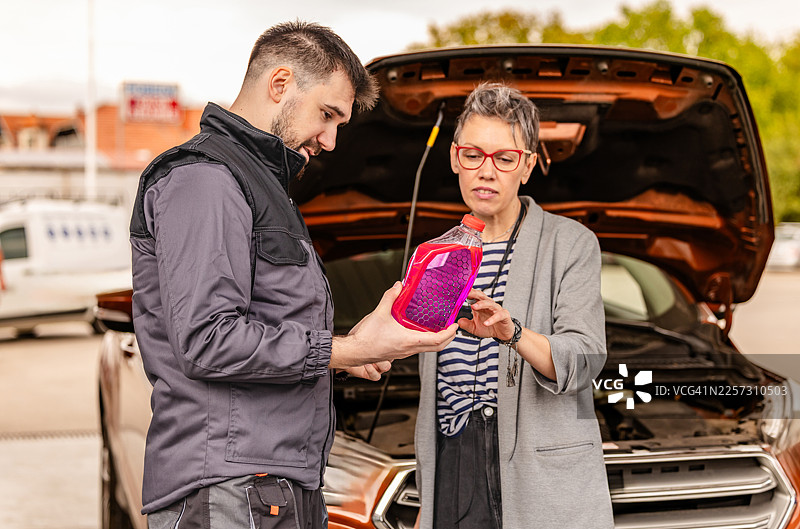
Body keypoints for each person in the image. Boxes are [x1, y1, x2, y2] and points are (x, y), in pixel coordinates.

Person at [130, 21, 457, 529]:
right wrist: (348, 350)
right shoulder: (205, 180)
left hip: (276, 484)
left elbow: (272, 321)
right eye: (326, 115)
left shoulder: (261, 184)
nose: (329, 141)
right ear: (280, 84)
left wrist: (351, 349)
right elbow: (206, 339)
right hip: (227, 486)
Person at [414, 83, 614, 529]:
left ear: (526, 167)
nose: (487, 172)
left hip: (537, 476)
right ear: (454, 158)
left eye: (504, 159)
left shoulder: (571, 243)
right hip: (452, 458)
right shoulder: (435, 254)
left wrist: (514, 335)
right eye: (473, 155)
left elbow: (584, 358)